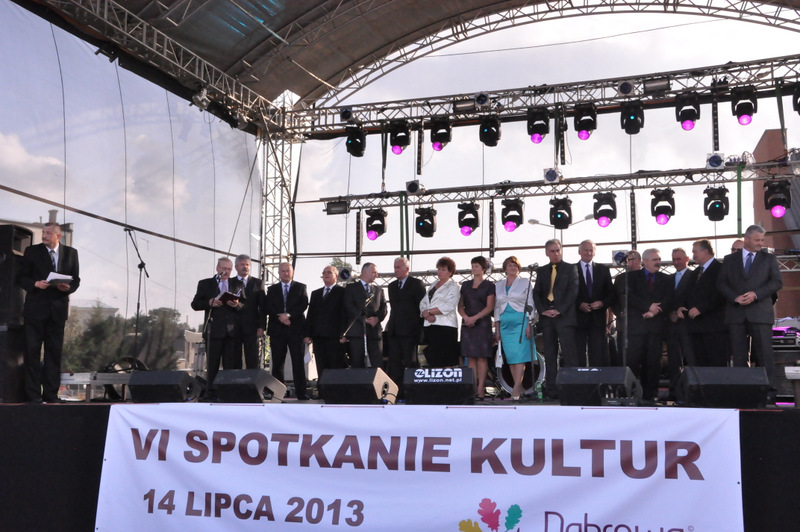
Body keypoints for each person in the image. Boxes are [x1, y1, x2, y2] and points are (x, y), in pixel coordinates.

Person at [17, 222, 80, 403]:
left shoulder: (71, 253)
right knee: (32, 352)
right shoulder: (32, 251)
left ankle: (51, 395)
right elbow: (21, 277)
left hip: (57, 311)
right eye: (43, 232)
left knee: (54, 353)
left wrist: (68, 288)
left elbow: (76, 279)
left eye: (48, 233)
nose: (44, 236)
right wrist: (35, 284)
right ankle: (32, 395)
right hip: (35, 310)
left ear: (58, 236)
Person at [718, 225, 783, 398]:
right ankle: (743, 391)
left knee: (765, 354)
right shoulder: (730, 259)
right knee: (739, 356)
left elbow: (777, 282)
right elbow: (721, 283)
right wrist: (735, 297)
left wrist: (756, 294)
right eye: (757, 240)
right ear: (746, 239)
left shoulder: (769, 259)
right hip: (736, 313)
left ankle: (769, 392)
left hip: (760, 313)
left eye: (762, 240)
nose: (760, 243)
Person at [532, 239, 578, 399]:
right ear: (547, 253)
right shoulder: (542, 271)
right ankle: (552, 389)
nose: (556, 253)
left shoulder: (571, 268)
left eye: (558, 250)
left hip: (564, 317)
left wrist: (560, 310)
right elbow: (537, 293)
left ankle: (572, 388)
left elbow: (573, 292)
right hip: (547, 319)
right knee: (550, 354)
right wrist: (543, 311)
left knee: (569, 354)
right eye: (552, 251)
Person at [626, 248, 673, 402]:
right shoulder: (632, 277)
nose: (658, 262)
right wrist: (648, 306)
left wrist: (654, 312)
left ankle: (651, 396)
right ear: (645, 261)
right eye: (654, 260)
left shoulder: (666, 279)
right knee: (633, 362)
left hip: (655, 328)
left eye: (659, 259)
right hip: (636, 328)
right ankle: (631, 394)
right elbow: (629, 297)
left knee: (653, 363)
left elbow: (669, 299)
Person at [191, 257, 241, 396]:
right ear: (217, 268)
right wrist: (209, 302)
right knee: (212, 363)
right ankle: (210, 391)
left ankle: (229, 392)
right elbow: (195, 304)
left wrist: (237, 304)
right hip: (213, 330)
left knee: (230, 364)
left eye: (229, 269)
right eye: (224, 268)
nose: (226, 271)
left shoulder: (237, 284)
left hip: (231, 331)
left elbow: (244, 305)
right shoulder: (206, 283)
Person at [678, 239, 728, 366]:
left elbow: (720, 294)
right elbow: (688, 293)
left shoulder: (720, 269)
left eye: (695, 252)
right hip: (695, 327)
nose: (693, 255)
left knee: (716, 363)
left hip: (714, 327)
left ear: (705, 251)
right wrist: (681, 307)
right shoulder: (695, 272)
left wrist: (701, 308)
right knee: (699, 363)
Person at [264, 262, 309, 399]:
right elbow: (268, 306)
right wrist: (281, 317)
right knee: (277, 363)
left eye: (288, 271)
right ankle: (278, 393)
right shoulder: (272, 289)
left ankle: (301, 392)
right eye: (283, 271)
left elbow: (303, 304)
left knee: (298, 362)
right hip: (277, 330)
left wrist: (289, 315)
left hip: (295, 329)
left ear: (292, 272)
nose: (285, 273)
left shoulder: (300, 287)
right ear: (278, 273)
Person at [494, 256, 534, 401]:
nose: (513, 268)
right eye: (510, 265)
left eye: (515, 265)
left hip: (521, 322)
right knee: (511, 358)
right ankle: (520, 388)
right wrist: (497, 328)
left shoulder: (525, 282)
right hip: (505, 324)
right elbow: (496, 307)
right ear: (505, 268)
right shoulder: (498, 285)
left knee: (520, 356)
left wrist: (530, 323)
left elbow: (531, 303)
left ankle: (516, 389)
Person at [385, 257, 426, 390]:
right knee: (394, 363)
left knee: (410, 361)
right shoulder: (392, 286)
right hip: (394, 331)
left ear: (407, 269)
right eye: (395, 267)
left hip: (410, 331)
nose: (395, 270)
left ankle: (414, 390)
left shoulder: (416, 284)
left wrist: (419, 331)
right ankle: (397, 392)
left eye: (398, 267)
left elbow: (422, 307)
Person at [458, 256, 496, 400]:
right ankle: (472, 388)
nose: (474, 268)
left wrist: (475, 317)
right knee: (470, 357)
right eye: (472, 266)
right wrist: (465, 317)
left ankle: (481, 388)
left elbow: (490, 306)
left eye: (477, 266)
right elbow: (460, 305)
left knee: (481, 357)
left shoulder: (489, 285)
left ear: (483, 268)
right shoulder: (465, 285)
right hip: (467, 324)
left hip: (482, 324)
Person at [304, 265, 346, 381]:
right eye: (324, 272)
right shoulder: (316, 293)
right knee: (321, 366)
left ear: (336, 276)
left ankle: (335, 388)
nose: (326, 274)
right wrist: (307, 334)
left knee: (335, 365)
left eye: (329, 272)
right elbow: (310, 315)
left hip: (335, 337)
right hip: (318, 336)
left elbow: (344, 315)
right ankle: (323, 388)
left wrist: (344, 334)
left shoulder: (342, 292)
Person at [575, 240, 614, 367]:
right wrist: (579, 304)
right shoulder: (571, 269)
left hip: (598, 320)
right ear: (579, 251)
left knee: (598, 355)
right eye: (585, 250)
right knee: (578, 354)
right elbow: (567, 294)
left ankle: (598, 379)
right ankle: (580, 379)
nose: (588, 253)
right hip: (578, 320)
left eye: (591, 250)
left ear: (595, 252)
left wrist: (602, 303)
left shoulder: (603, 269)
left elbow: (611, 293)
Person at [343, 262, 387, 369]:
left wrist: (377, 318)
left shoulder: (379, 290)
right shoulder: (351, 288)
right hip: (357, 332)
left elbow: (384, 308)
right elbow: (349, 306)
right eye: (374, 272)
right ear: (365, 272)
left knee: (378, 364)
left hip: (374, 332)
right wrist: (363, 319)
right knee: (357, 363)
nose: (376, 275)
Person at [419, 257, 461, 368]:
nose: (440, 272)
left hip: (445, 326)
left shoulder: (454, 286)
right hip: (429, 325)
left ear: (450, 272)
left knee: (445, 359)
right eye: (439, 269)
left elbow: (449, 305)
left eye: (443, 269)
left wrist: (430, 312)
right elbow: (423, 302)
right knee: (431, 359)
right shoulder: (433, 285)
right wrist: (426, 314)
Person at [666, 247, 694, 398]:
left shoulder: (694, 276)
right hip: (672, 327)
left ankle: (691, 392)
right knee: (673, 360)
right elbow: (666, 300)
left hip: (688, 326)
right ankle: (674, 392)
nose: (676, 262)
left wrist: (681, 311)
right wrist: (671, 313)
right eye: (674, 259)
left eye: (679, 259)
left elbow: (695, 297)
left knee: (691, 359)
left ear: (687, 259)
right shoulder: (669, 279)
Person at [232, 254, 265, 369]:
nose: (245, 267)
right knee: (234, 358)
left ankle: (252, 380)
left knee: (252, 358)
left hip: (252, 327)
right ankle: (236, 380)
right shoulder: (230, 282)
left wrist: (261, 326)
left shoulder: (257, 283)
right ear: (236, 267)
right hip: (233, 327)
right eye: (242, 264)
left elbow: (262, 307)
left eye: (247, 265)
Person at [611, 249, 641, 366]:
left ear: (637, 260)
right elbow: (613, 300)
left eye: (629, 259)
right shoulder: (620, 278)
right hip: (623, 325)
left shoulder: (644, 276)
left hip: (641, 325)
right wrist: (619, 313)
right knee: (623, 356)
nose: (626, 262)